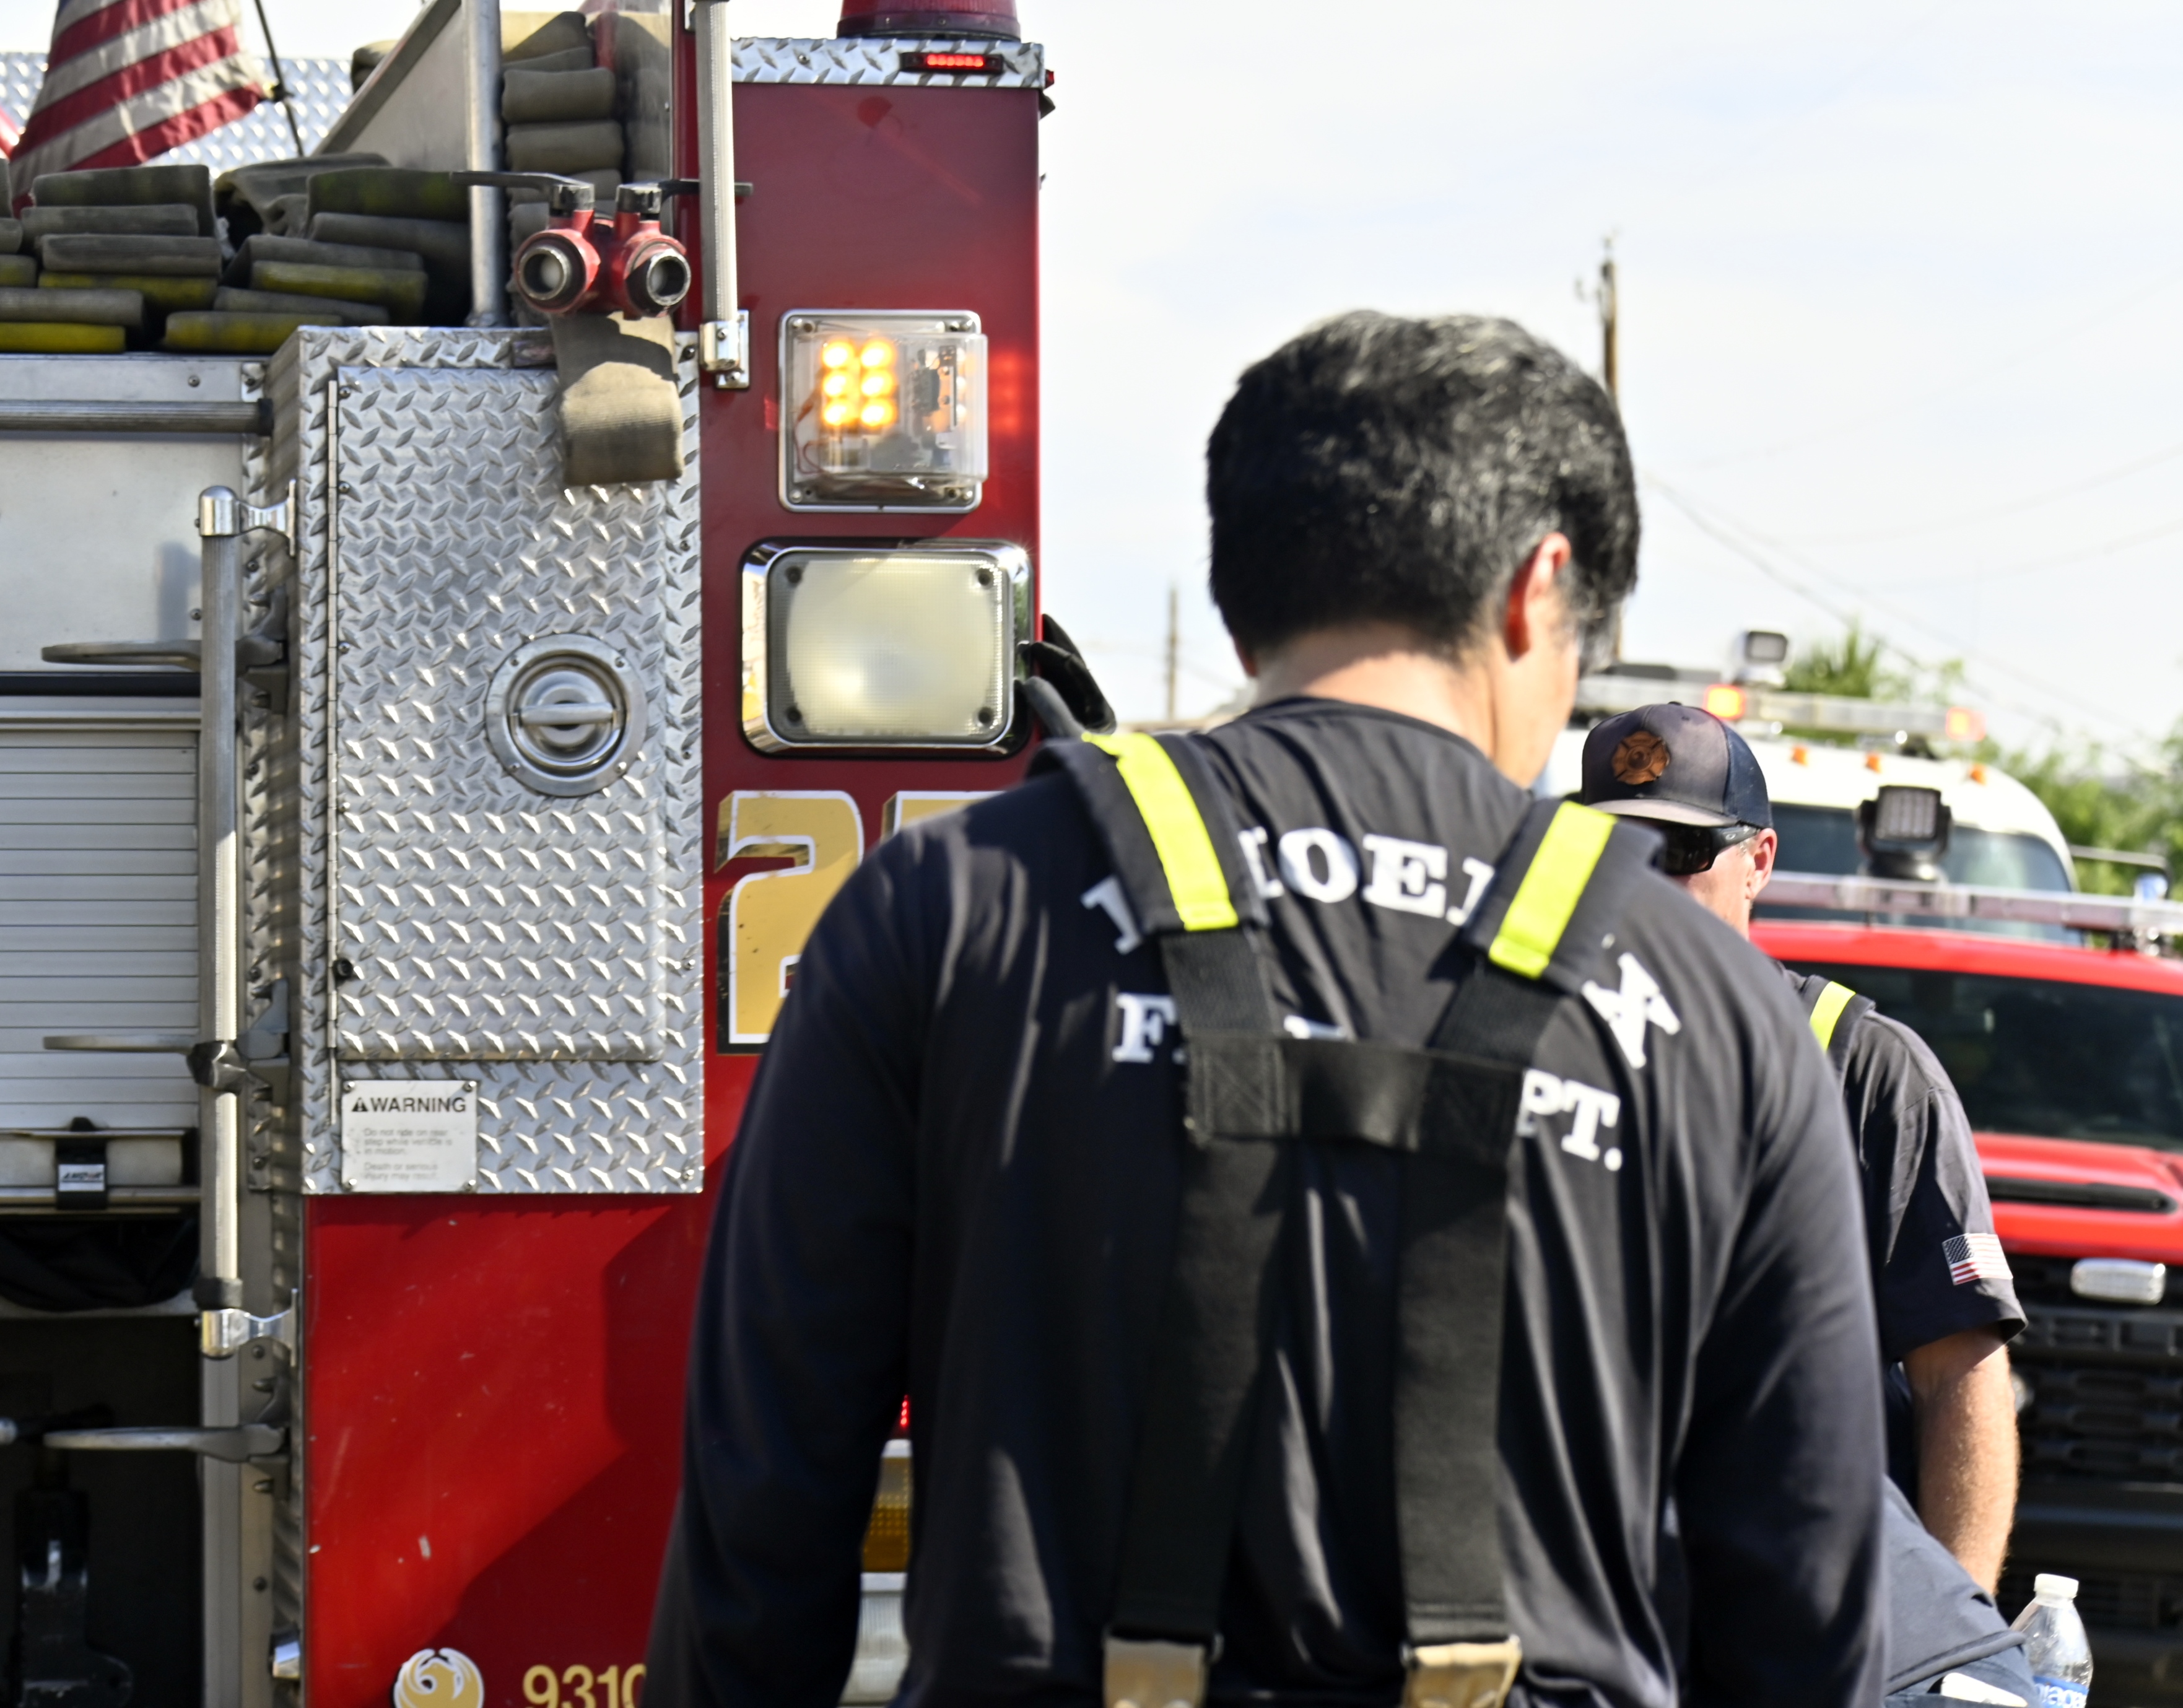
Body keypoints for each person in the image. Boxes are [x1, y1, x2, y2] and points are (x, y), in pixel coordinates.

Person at [646, 312, 1886, 1708]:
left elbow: (763, 1511)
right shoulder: (1714, 1009)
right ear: (1538, 590)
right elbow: (1804, 1600)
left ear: (1238, 600)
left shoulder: (945, 912)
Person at [1578, 702, 2024, 1592]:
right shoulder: (1527, 1034)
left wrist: (1952, 1632)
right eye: (1613, 848)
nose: (1643, 880)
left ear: (1759, 861)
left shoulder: (1864, 1069)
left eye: (1681, 851)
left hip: (1785, 1605)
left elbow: (1958, 1374)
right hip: (1576, 1592)